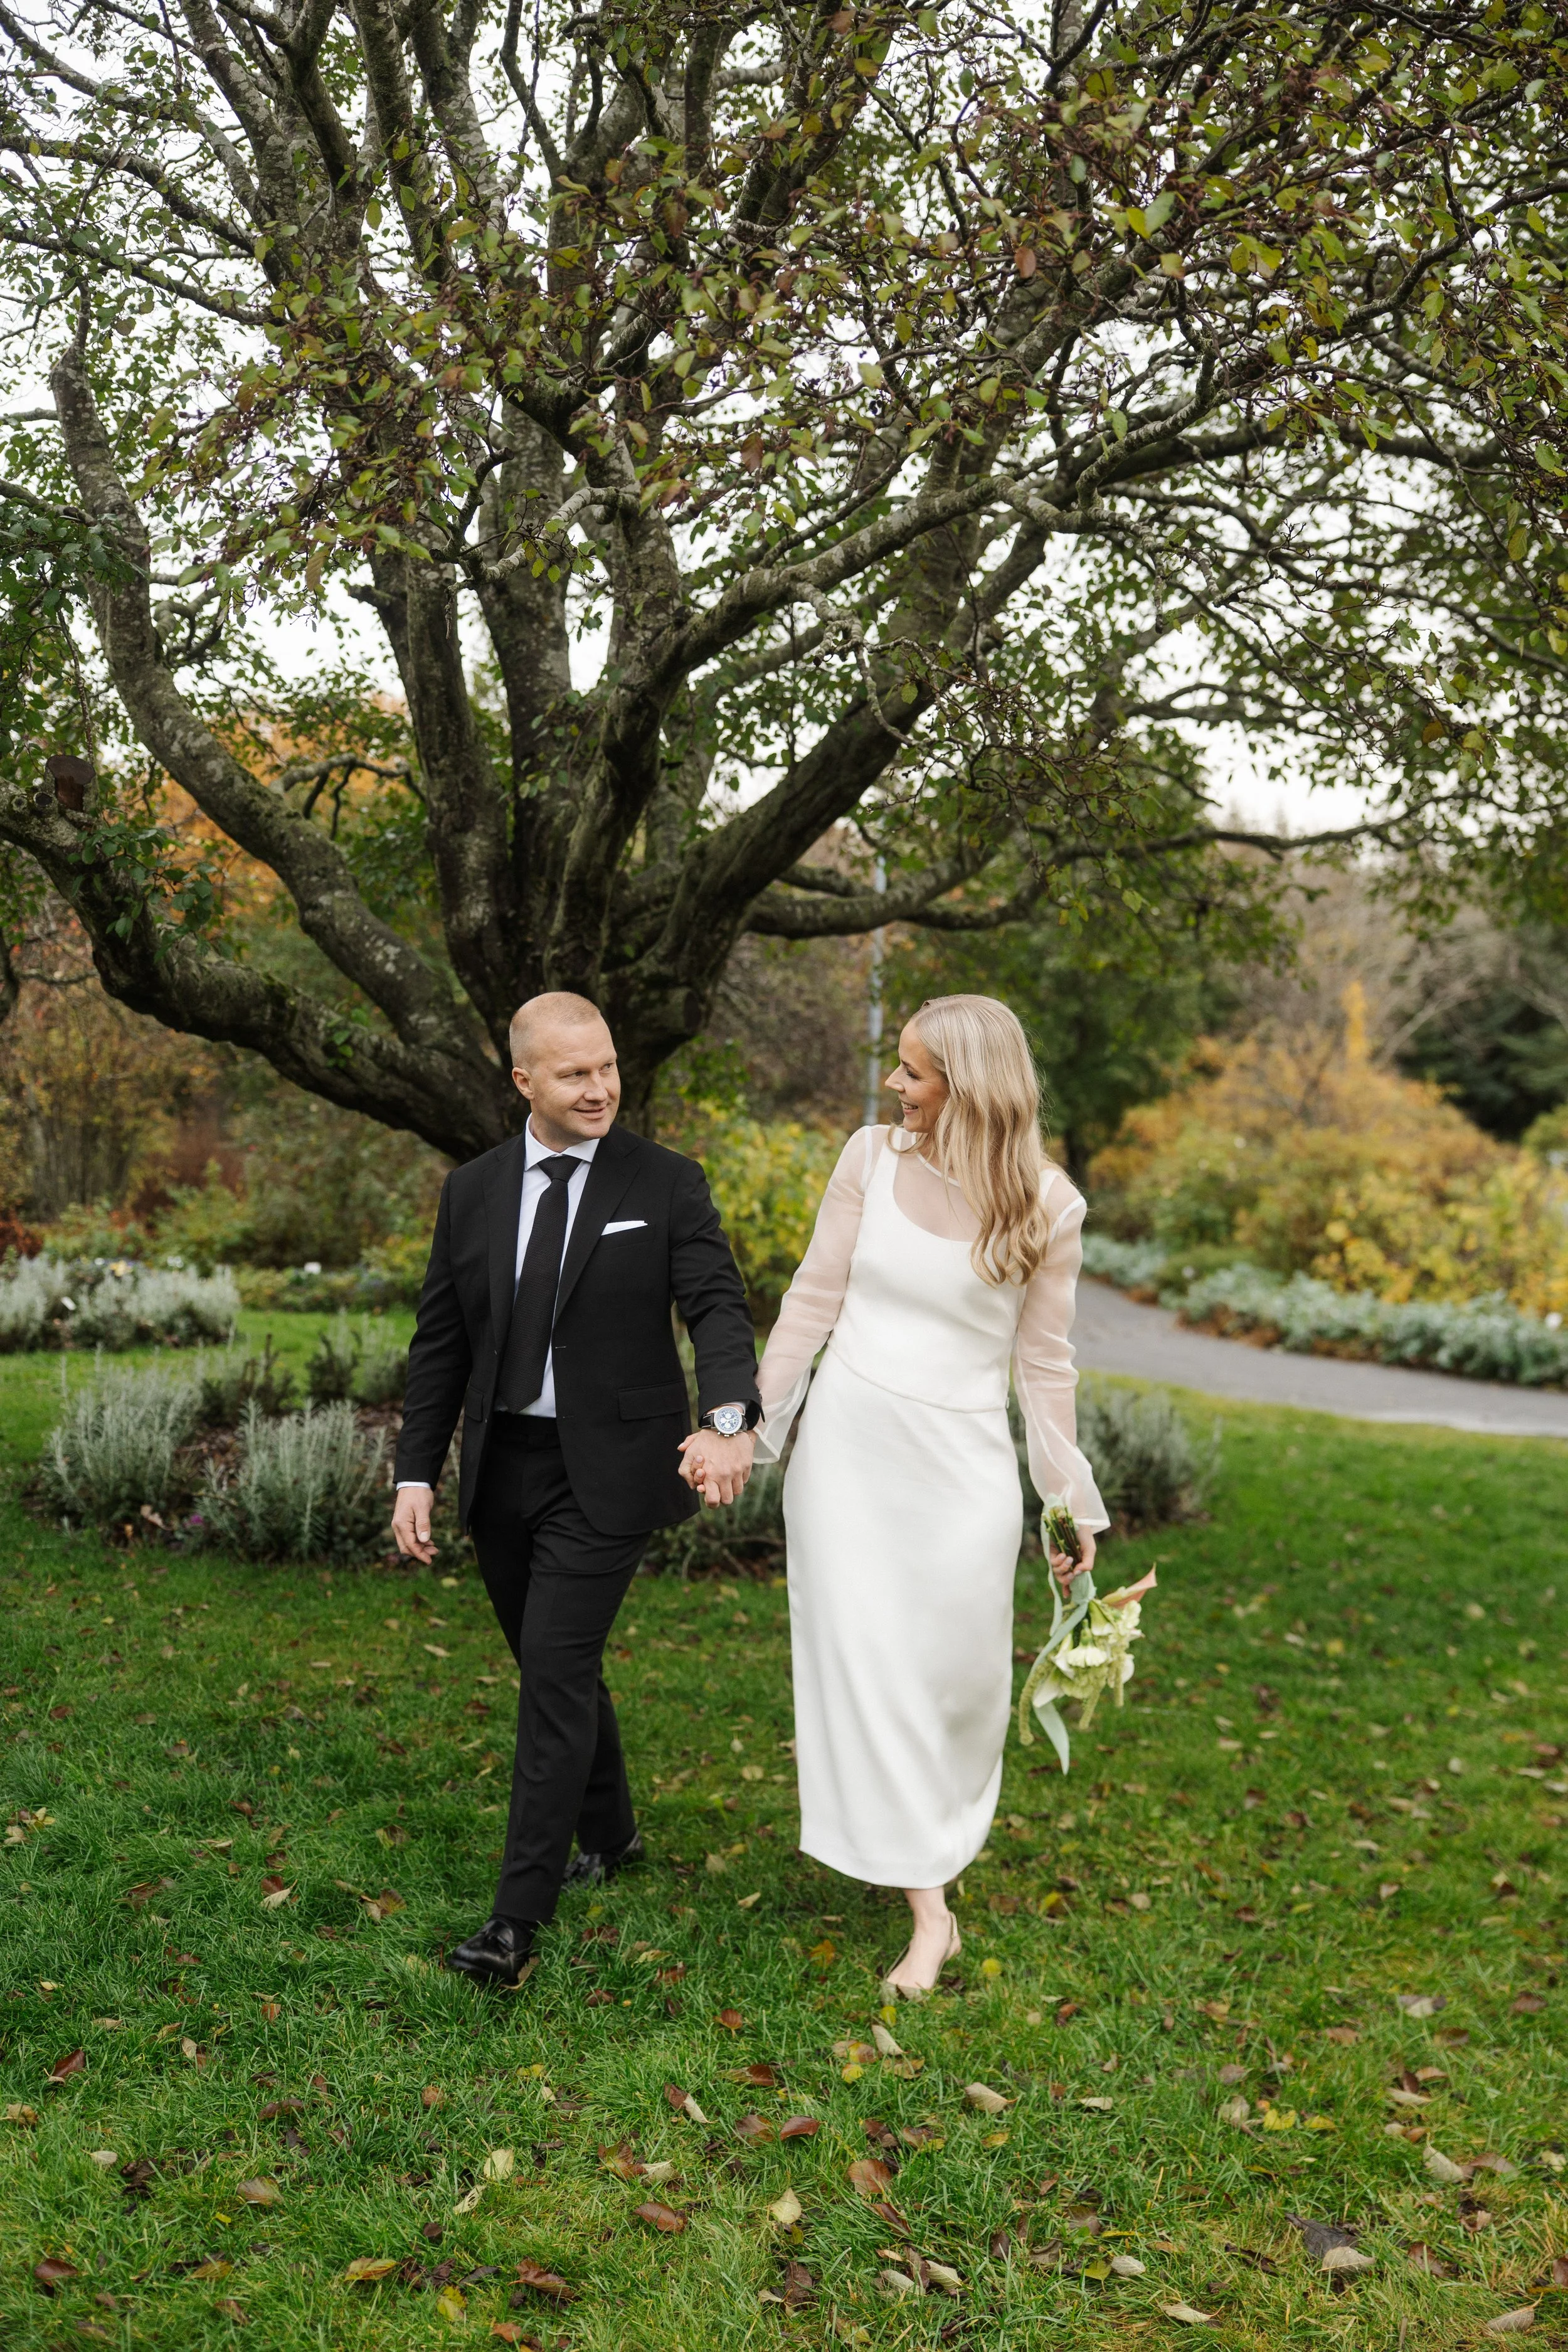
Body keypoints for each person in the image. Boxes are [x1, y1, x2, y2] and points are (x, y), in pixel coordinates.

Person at [686, 994, 1106, 1998]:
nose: (894, 1084)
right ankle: (931, 1913)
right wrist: (745, 1426)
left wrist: (1069, 1501)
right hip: (849, 1460)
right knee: (870, 1670)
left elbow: (1044, 1368)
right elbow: (812, 1301)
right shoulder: (869, 1158)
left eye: (912, 1070)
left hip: (959, 1473)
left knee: (952, 1685)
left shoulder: (1049, 1204)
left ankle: (927, 1843)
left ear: (967, 1084)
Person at [391, 992, 760, 1985]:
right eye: (573, 1073)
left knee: (553, 1670)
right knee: (557, 1664)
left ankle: (514, 1923)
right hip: (501, 1467)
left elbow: (719, 1309)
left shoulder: (666, 1182)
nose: (599, 1088)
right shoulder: (471, 1191)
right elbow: (441, 1341)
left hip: (612, 1471)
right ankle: (616, 1827)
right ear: (523, 1081)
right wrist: (416, 1472)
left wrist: (729, 1421)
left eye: (606, 1067)